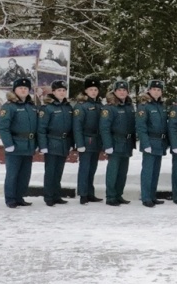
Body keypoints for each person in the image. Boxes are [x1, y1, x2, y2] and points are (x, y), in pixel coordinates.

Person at [0, 77, 38, 208]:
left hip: (29, 145)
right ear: (15, 90)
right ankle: (10, 199)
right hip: (14, 145)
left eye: (26, 88)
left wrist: (36, 144)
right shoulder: (9, 107)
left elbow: (36, 127)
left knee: (25, 175)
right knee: (12, 174)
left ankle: (19, 197)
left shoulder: (31, 107)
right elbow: (3, 127)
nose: (23, 90)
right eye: (20, 88)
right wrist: (8, 144)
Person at [38, 80, 74, 207]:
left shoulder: (68, 107)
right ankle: (49, 197)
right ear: (53, 92)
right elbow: (41, 128)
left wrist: (72, 143)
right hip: (52, 142)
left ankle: (57, 195)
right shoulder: (47, 108)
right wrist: (43, 146)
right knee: (50, 171)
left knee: (59, 171)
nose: (62, 92)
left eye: (64, 90)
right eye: (59, 90)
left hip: (64, 143)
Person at [100, 81, 136, 206]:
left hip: (126, 143)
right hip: (115, 143)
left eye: (124, 90)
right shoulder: (110, 108)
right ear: (114, 92)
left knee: (122, 172)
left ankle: (119, 194)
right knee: (113, 171)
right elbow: (104, 128)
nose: (122, 92)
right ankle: (110, 196)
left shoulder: (129, 106)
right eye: (119, 90)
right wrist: (108, 145)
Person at [135, 80, 169, 208]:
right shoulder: (144, 106)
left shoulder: (161, 106)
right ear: (149, 90)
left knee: (155, 171)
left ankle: (152, 196)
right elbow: (141, 126)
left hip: (159, 142)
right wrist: (145, 143)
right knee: (148, 171)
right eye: (154, 89)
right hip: (150, 141)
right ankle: (146, 197)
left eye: (159, 90)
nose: (156, 92)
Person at [73, 77, 103, 205]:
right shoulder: (81, 106)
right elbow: (77, 126)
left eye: (95, 89)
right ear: (86, 91)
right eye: (91, 89)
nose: (93, 92)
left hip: (96, 140)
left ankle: (90, 193)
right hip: (86, 140)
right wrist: (79, 143)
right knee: (85, 168)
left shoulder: (99, 105)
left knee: (92, 168)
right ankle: (83, 194)